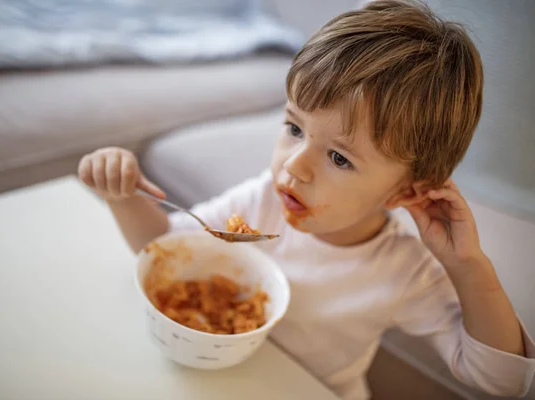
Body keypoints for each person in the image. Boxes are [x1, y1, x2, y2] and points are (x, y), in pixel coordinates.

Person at [77, 1, 534, 398]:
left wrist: (468, 267)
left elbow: (499, 380)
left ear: (406, 191)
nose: (294, 166)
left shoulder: (403, 271)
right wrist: (122, 195)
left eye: (338, 157)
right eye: (294, 128)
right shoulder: (263, 201)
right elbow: (161, 246)